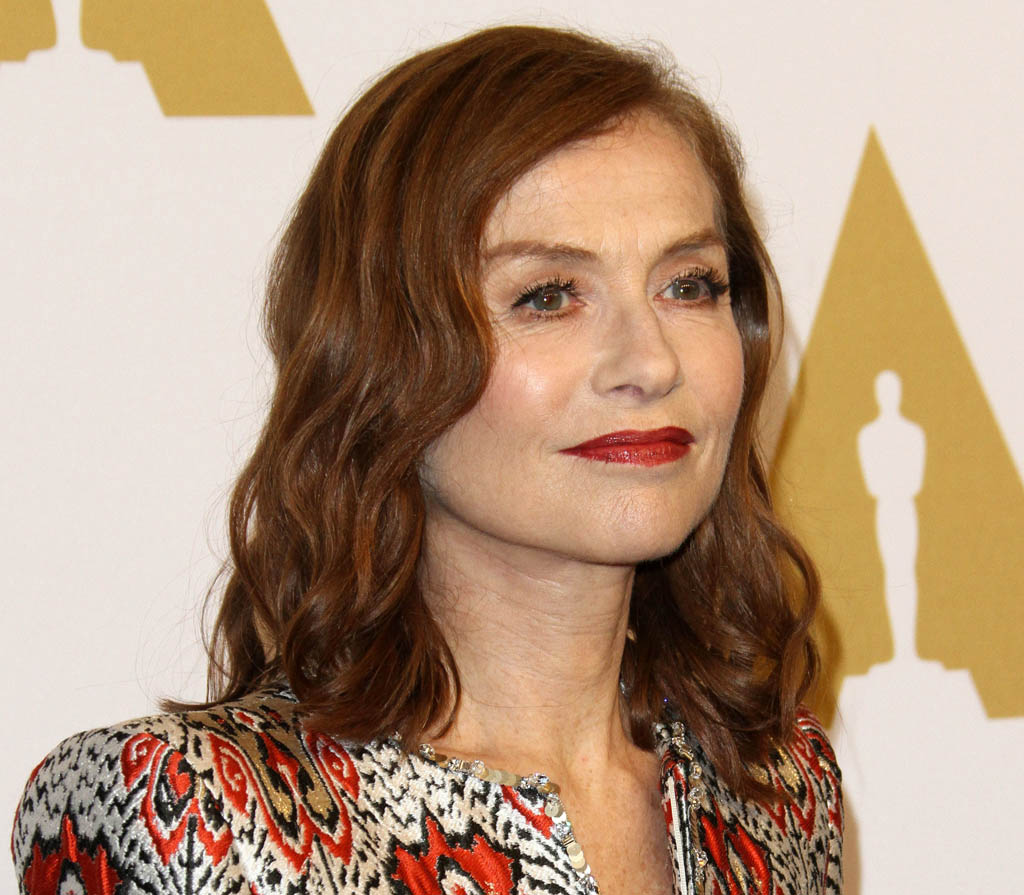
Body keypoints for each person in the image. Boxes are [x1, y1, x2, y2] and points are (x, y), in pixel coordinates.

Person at [11, 25, 842, 895]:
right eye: (548, 296)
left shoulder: (777, 789)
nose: (652, 361)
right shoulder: (198, 812)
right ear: (379, 358)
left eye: (689, 284)